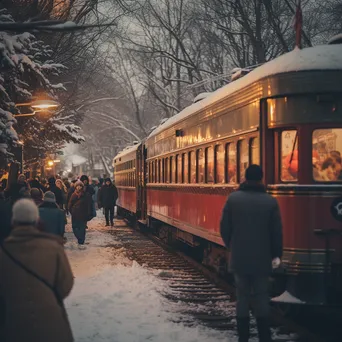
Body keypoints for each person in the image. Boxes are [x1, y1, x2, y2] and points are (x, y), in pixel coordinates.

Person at [220, 165, 283, 342]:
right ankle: (264, 336)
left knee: (242, 297)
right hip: (262, 259)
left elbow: (224, 228)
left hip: (239, 258)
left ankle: (243, 337)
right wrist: (276, 255)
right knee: (262, 297)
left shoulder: (233, 200)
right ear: (261, 179)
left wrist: (231, 246)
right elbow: (276, 233)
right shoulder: (270, 201)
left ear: (245, 178)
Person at [0, 199, 74, 342]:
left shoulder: (3, 252)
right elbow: (65, 285)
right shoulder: (54, 248)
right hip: (51, 324)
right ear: (37, 220)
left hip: (12, 326)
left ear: (13, 221)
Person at [68, 181, 92, 249]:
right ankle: (80, 238)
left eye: (80, 186)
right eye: (77, 186)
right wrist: (72, 211)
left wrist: (88, 213)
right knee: (74, 227)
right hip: (75, 215)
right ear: (75, 187)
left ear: (82, 187)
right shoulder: (73, 195)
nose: (79, 187)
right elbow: (70, 205)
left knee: (82, 228)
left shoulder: (86, 195)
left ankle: (81, 241)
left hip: (83, 214)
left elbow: (89, 205)